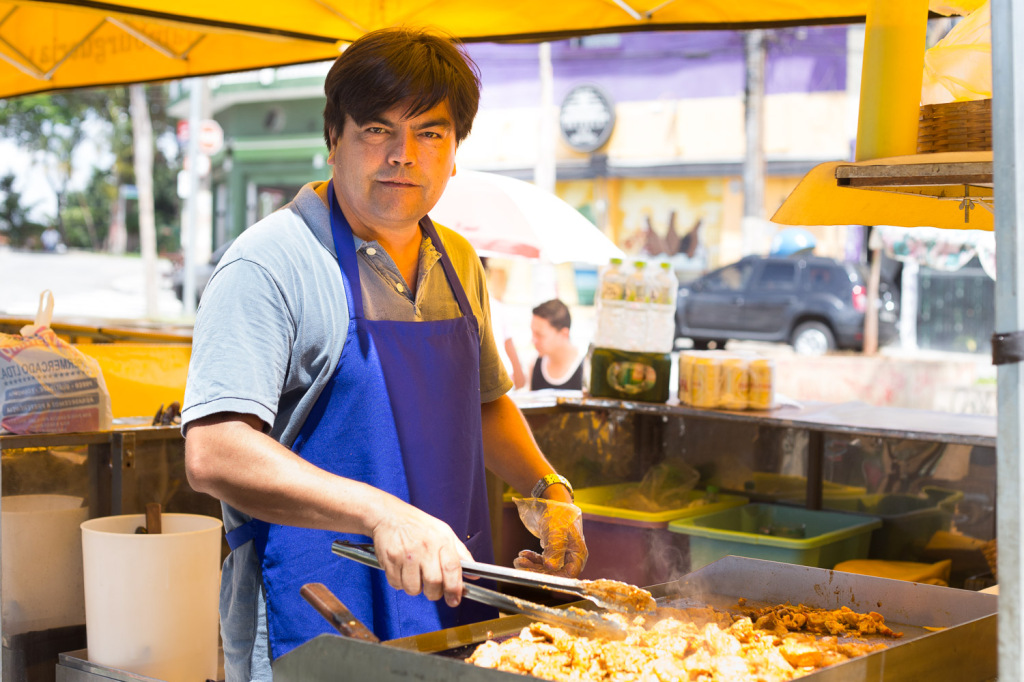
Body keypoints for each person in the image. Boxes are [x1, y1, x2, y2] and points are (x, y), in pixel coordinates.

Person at [181, 28, 587, 681]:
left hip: (448, 603)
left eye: (430, 133)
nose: (403, 155)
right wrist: (381, 511)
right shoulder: (271, 262)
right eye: (376, 129)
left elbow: (485, 404)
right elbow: (214, 451)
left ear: (455, 154)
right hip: (314, 611)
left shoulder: (456, 259)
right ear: (333, 137)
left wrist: (547, 488)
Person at [482, 258, 527, 389]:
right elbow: (509, 345)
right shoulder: (496, 306)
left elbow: (508, 345)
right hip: (500, 381)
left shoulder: (495, 306)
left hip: (497, 381)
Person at [529, 299, 584, 391]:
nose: (533, 340)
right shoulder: (534, 365)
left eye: (540, 335)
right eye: (533, 333)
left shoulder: (585, 369)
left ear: (564, 334)